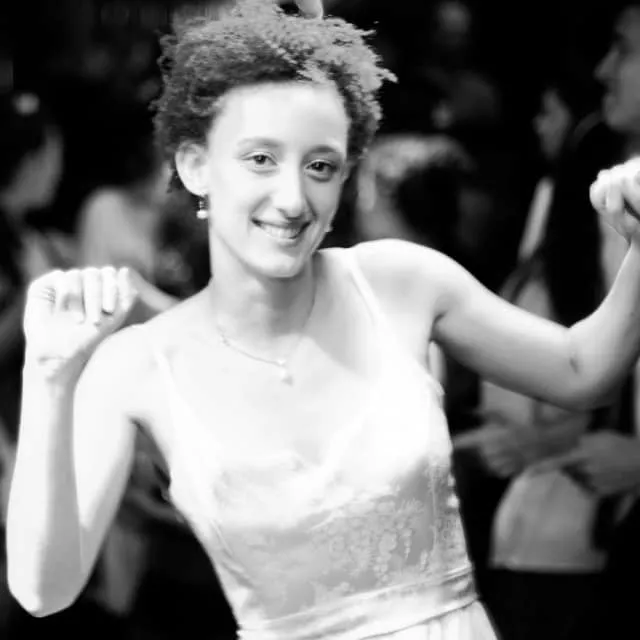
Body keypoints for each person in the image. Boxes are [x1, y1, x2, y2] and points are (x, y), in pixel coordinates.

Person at [6, 2, 640, 640]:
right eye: (260, 159)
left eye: (320, 166)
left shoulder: (398, 282)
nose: (292, 199)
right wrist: (48, 376)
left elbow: (583, 369)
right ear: (195, 166)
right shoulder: (138, 365)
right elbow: (42, 590)